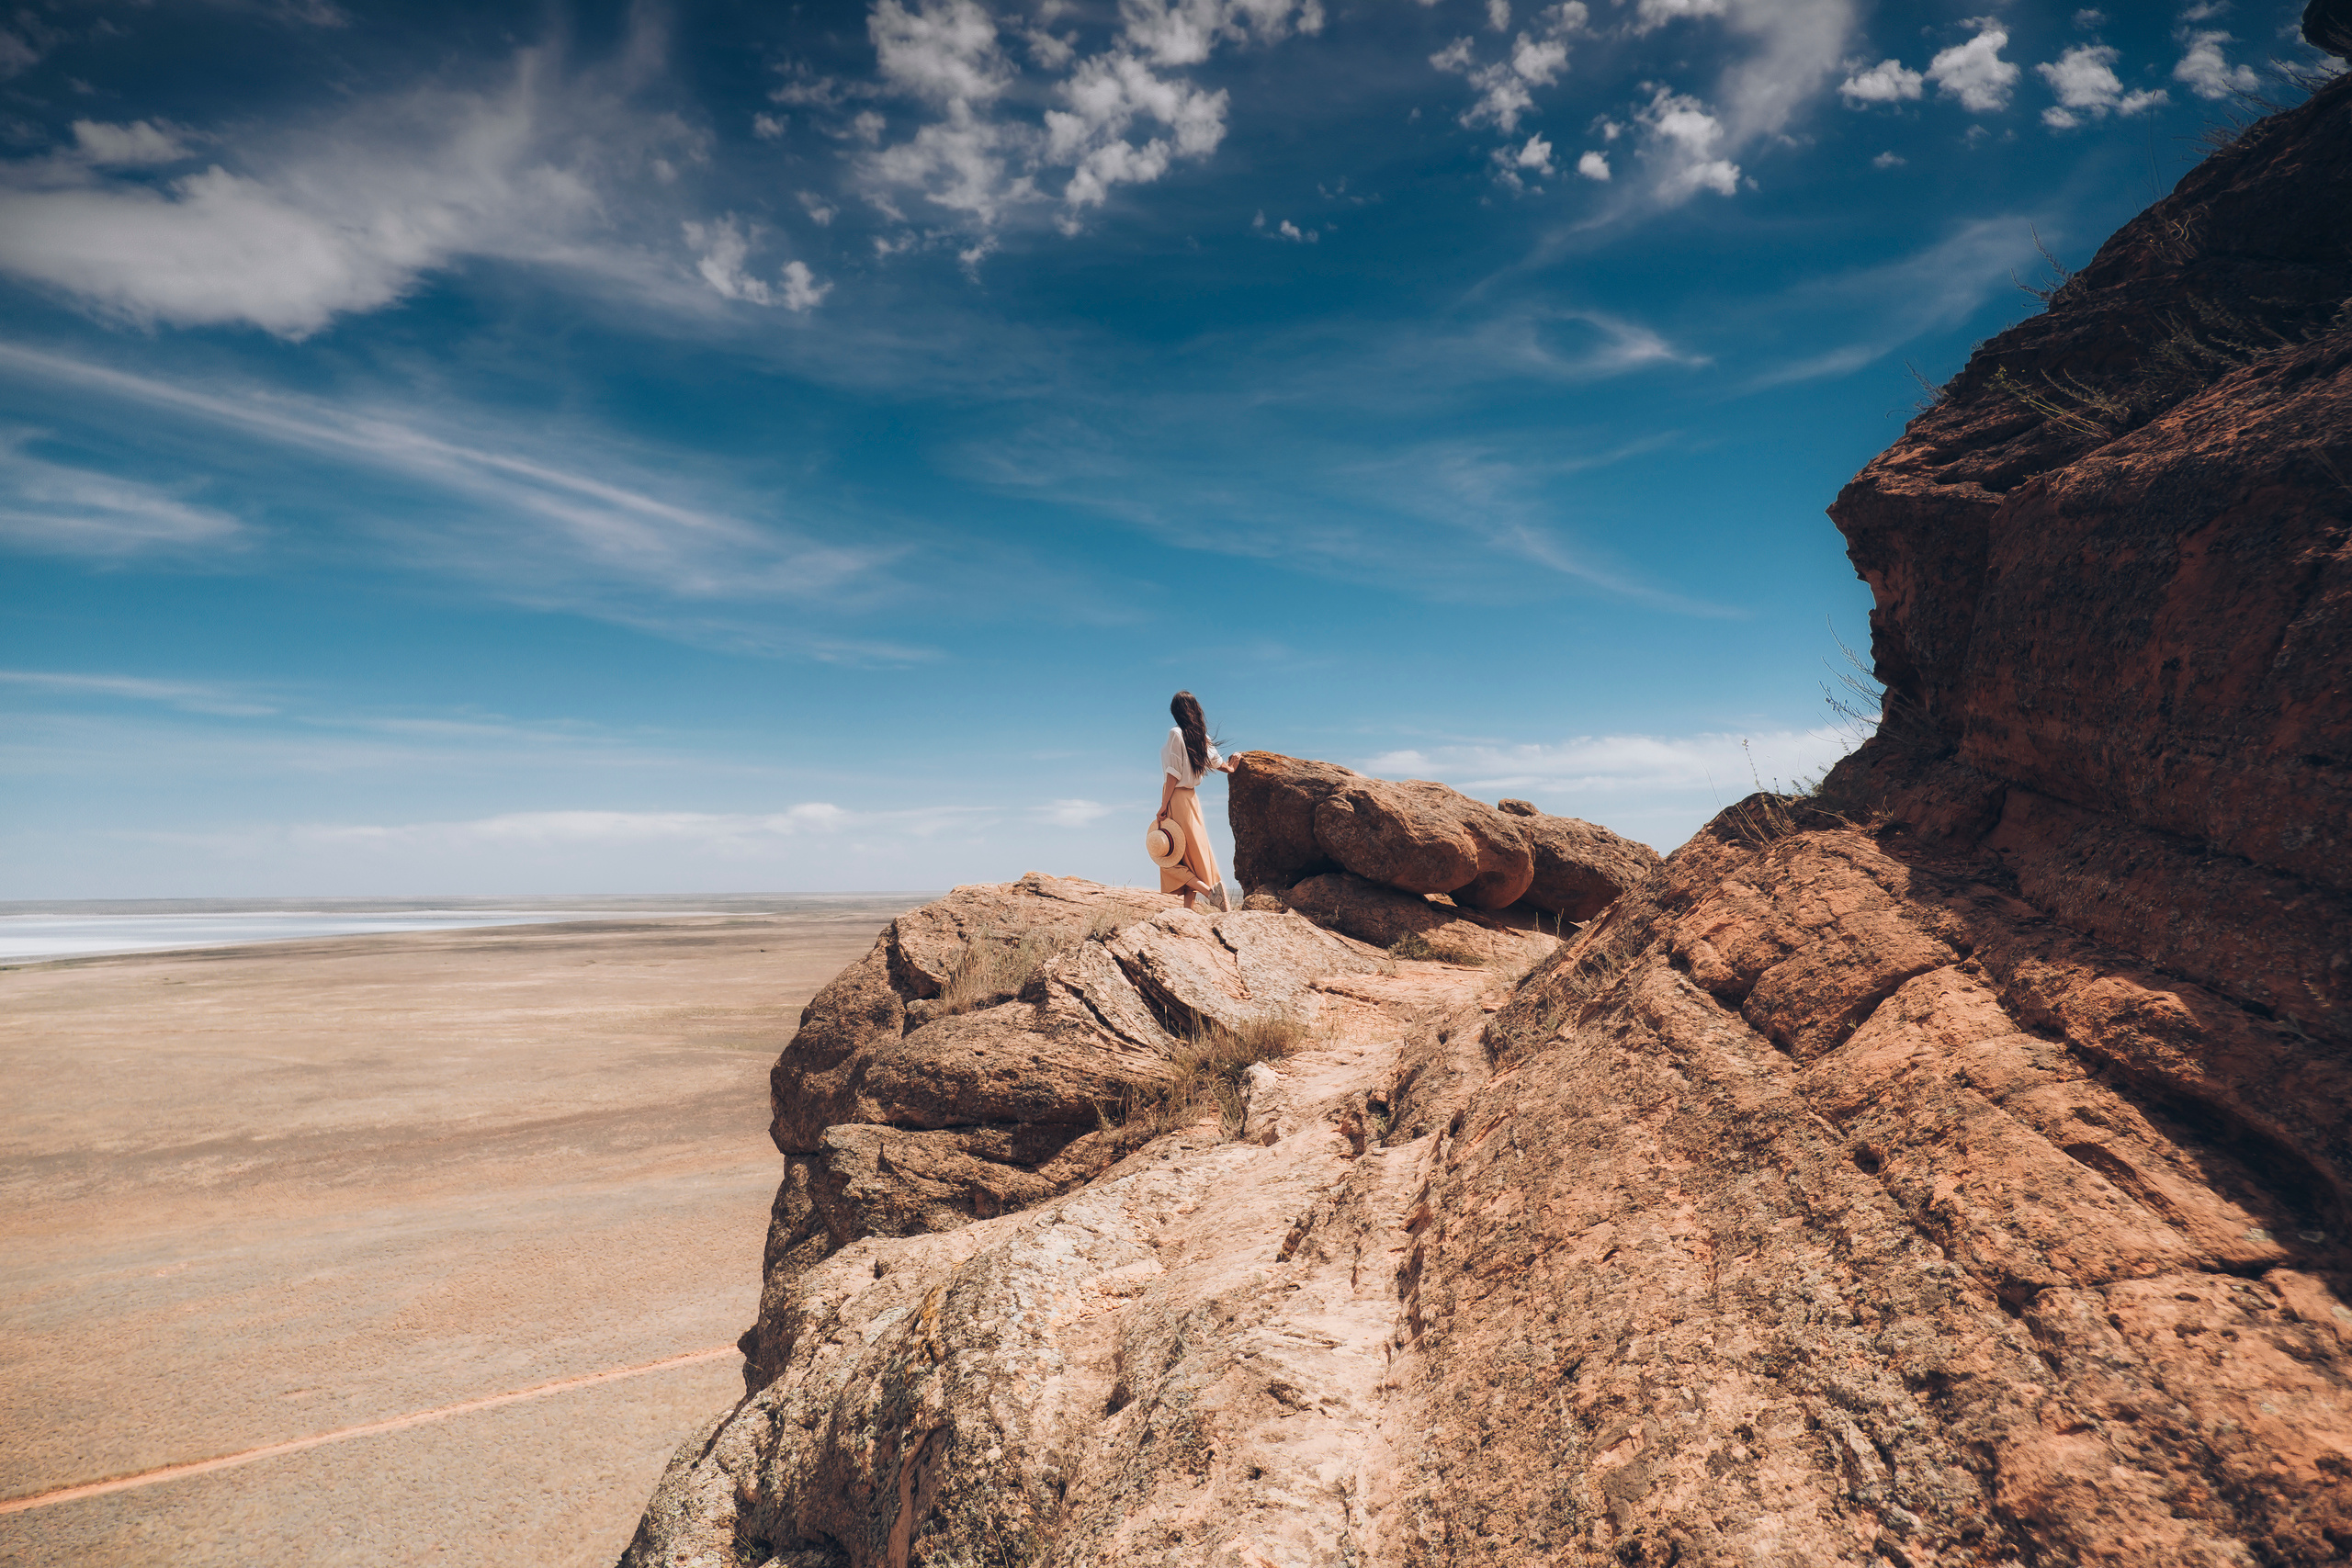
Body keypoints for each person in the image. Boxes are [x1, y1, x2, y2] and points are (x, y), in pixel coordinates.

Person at [1154, 690, 1234, 911]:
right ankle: (1187, 911)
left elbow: (1172, 774)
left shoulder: (1176, 734)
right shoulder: (1201, 737)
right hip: (1192, 801)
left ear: (1176, 712)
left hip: (1176, 798)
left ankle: (1211, 894)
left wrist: (1163, 806)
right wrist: (1233, 767)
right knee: (1189, 855)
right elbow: (1219, 763)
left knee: (1169, 855)